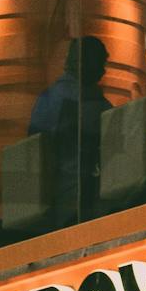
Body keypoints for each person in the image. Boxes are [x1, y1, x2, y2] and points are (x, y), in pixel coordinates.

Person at [29, 37, 110, 219]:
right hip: (79, 198)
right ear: (84, 63)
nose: (103, 72)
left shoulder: (48, 98)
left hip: (54, 198)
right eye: (100, 64)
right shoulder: (90, 104)